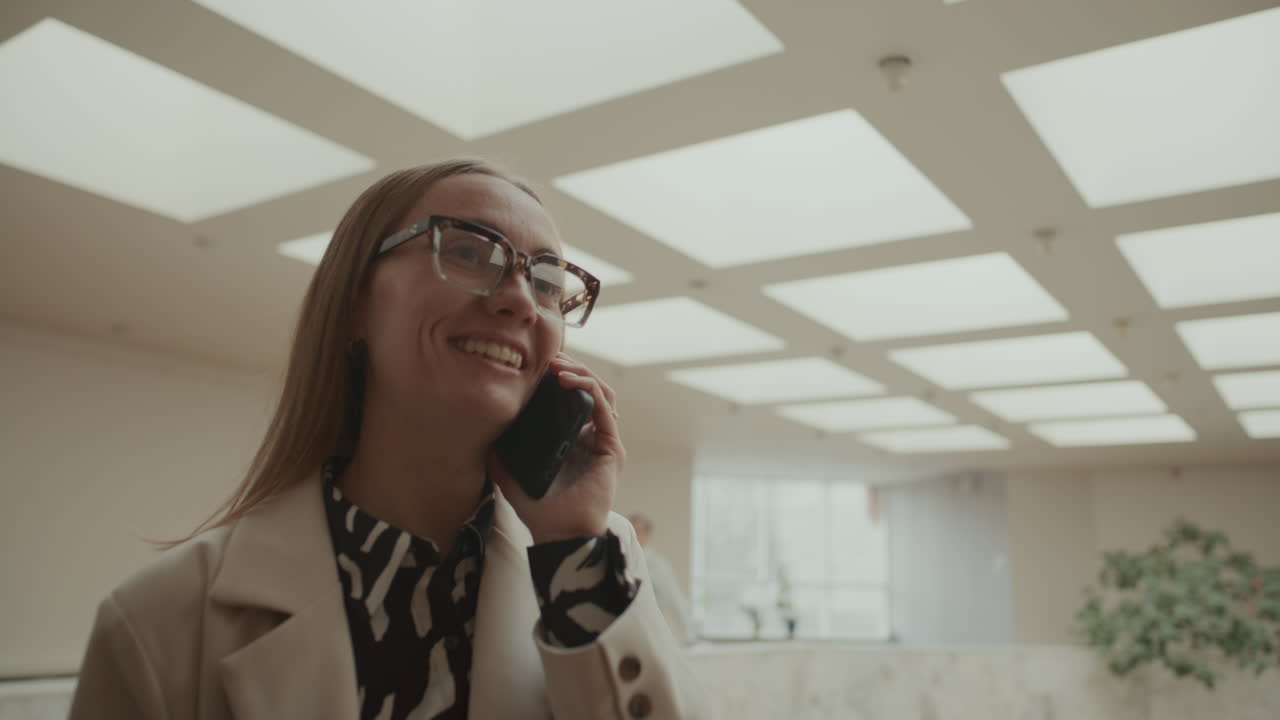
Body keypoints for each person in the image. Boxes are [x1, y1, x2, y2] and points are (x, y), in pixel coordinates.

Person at [69, 159, 708, 720]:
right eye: (465, 250)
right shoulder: (162, 622)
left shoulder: (595, 563)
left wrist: (572, 549)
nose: (519, 298)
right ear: (353, 302)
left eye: (545, 282)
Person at [628, 513, 698, 647]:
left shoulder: (656, 564)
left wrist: (688, 634)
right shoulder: (620, 559)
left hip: (649, 631)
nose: (633, 534)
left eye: (638, 530)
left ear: (647, 535)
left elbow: (674, 597)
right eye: (631, 529)